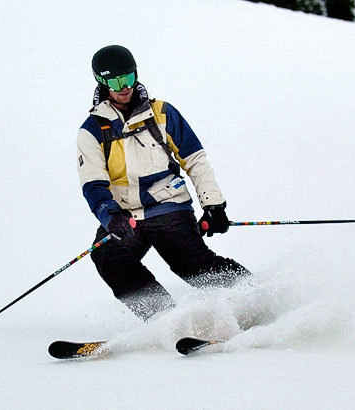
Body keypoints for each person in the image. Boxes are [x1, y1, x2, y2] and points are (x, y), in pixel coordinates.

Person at [77, 45, 250, 321]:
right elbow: (93, 184)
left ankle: (253, 296)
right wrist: (111, 217)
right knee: (109, 257)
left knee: (190, 264)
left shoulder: (163, 113)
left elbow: (195, 160)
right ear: (102, 82)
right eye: (116, 81)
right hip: (126, 216)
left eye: (129, 78)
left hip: (168, 207)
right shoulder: (92, 130)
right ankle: (165, 319)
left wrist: (213, 204)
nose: (124, 87)